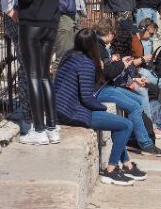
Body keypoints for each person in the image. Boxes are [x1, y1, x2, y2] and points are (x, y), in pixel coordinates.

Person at [55, 29, 146, 185]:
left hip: (62, 108)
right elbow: (86, 98)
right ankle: (111, 170)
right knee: (126, 125)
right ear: (93, 46)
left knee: (116, 123)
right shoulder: (86, 63)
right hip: (72, 112)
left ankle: (126, 164)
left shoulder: (69, 55)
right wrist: (102, 108)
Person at [0, 0, 62, 145]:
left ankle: (38, 128)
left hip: (32, 24)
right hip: (50, 24)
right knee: (45, 75)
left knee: (33, 75)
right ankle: (53, 128)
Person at [93, 18, 161, 156]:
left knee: (139, 100)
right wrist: (123, 64)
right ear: (110, 33)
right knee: (135, 105)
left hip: (105, 86)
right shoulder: (99, 48)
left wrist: (118, 64)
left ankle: (135, 137)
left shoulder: (99, 46)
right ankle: (146, 144)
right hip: (100, 89)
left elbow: (108, 69)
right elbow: (109, 73)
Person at [0, 0, 38, 136]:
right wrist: (12, 12)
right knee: (26, 69)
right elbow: (8, 0)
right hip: (19, 21)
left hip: (29, 21)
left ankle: (32, 114)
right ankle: (27, 117)